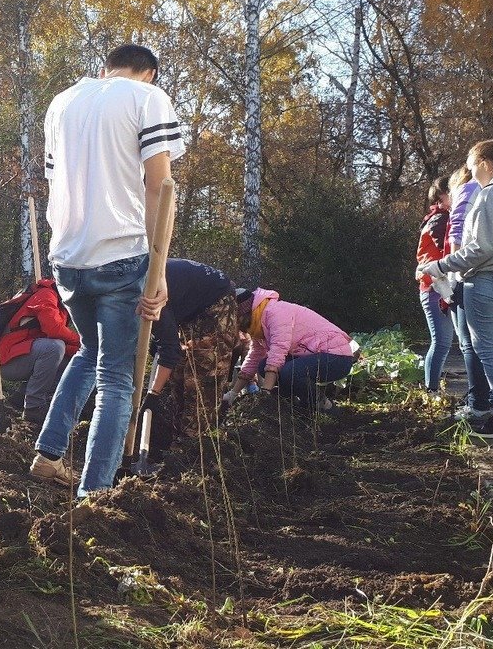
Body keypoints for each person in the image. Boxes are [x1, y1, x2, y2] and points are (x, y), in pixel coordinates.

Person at [27, 44, 183, 494]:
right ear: (149, 73)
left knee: (88, 354)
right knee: (117, 376)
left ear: (106, 67)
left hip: (68, 258)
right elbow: (160, 186)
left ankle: (48, 453)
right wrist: (159, 267)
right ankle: (94, 495)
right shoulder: (146, 99)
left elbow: (57, 182)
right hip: (120, 255)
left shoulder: (62, 103)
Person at [420, 139, 493, 437]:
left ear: (483, 163)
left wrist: (441, 266)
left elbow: (481, 247)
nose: (466, 170)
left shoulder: (492, 193)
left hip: (485, 279)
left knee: (489, 351)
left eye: (469, 163)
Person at [139, 259, 238, 460]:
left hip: (216, 302)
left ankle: (192, 454)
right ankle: (176, 445)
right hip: (188, 307)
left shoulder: (148, 297)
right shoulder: (125, 293)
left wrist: (153, 395)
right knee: (179, 377)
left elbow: (169, 350)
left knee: (201, 382)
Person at [222, 288, 355, 411]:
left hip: (336, 357)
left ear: (244, 313)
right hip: (313, 355)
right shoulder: (257, 324)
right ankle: (294, 404)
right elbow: (254, 357)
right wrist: (233, 393)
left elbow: (278, 349)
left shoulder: (275, 312)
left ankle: (323, 404)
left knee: (289, 372)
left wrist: (265, 392)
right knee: (263, 365)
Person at [0, 278, 80, 426]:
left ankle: (22, 395)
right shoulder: (46, 295)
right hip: (8, 361)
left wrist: (82, 350)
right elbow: (53, 329)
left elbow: (53, 340)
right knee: (54, 348)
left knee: (72, 359)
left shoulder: (60, 304)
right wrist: (82, 341)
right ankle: (34, 407)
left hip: (25, 354)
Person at [446, 166, 490, 422]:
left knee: (470, 344)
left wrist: (452, 276)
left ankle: (479, 404)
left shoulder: (467, 189)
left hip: (469, 276)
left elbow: (457, 236)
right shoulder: (488, 190)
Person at [415, 177, 454, 393]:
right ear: (441, 196)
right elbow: (448, 250)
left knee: (443, 343)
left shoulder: (438, 218)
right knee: (440, 342)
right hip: (434, 288)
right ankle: (431, 390)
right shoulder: (439, 220)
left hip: (437, 287)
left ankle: (432, 389)